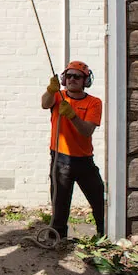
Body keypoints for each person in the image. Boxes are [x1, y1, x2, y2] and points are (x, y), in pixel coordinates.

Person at [41, 60, 105, 238]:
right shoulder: (58, 96)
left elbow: (86, 131)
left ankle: (104, 233)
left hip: (84, 160)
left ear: (85, 81)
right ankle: (57, 239)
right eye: (68, 76)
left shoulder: (94, 103)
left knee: (98, 197)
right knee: (60, 204)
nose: (72, 79)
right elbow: (45, 104)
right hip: (60, 160)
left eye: (77, 76)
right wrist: (50, 90)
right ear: (63, 79)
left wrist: (72, 116)